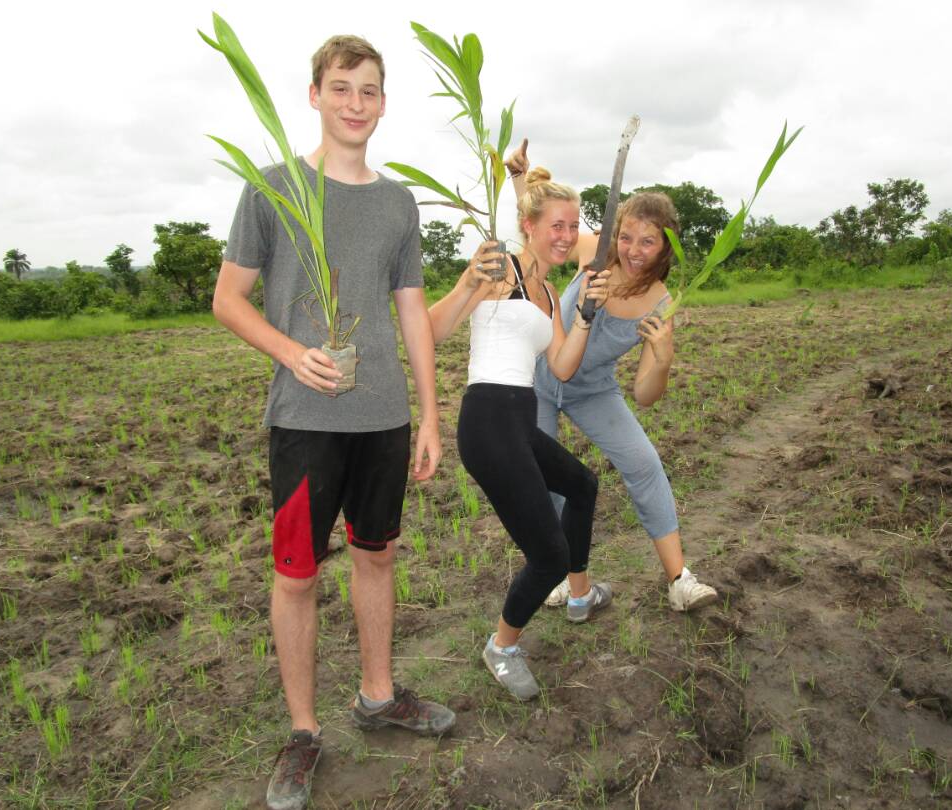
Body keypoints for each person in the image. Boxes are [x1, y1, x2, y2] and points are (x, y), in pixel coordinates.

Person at [212, 35, 453, 810]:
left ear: (384, 103)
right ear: (314, 95)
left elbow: (411, 311)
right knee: (297, 573)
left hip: (383, 419)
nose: (356, 103)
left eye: (369, 90)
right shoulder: (273, 189)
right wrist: (292, 353)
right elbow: (227, 300)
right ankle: (303, 732)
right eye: (342, 87)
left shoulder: (398, 203)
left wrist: (429, 414)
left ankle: (378, 696)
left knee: (377, 556)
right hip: (304, 419)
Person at [505, 142, 719, 613]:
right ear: (615, 234)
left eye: (648, 242)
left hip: (592, 391)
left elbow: (645, 395)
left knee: (643, 463)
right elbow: (542, 236)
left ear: (665, 246)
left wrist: (662, 357)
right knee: (546, 479)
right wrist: (520, 181)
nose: (634, 251)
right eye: (627, 237)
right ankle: (559, 576)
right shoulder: (595, 253)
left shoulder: (661, 305)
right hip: (537, 381)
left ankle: (679, 580)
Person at [427, 169, 611, 700]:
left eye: (574, 226)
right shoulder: (499, 270)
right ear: (528, 226)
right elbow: (432, 330)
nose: (567, 236)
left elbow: (563, 365)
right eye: (557, 225)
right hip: (487, 421)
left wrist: (585, 317)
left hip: (519, 421)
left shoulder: (549, 294)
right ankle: (502, 647)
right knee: (547, 554)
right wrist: (466, 282)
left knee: (582, 485)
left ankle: (579, 595)